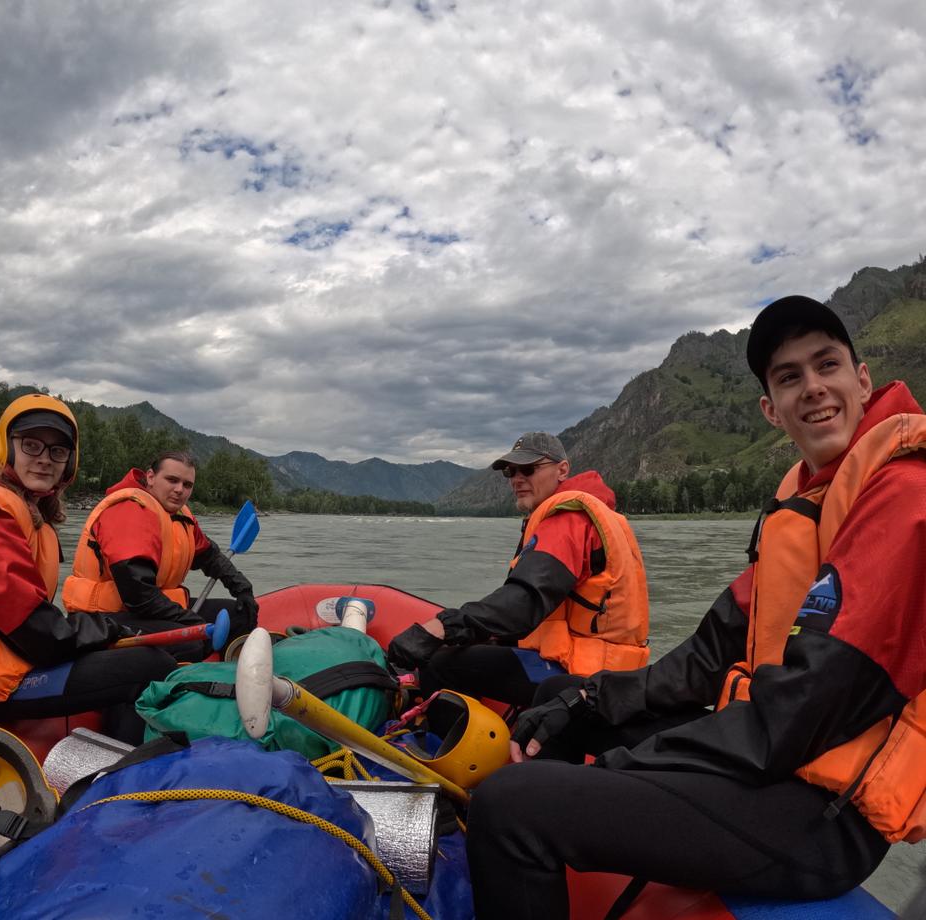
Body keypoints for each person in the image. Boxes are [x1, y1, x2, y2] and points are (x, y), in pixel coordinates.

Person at [465, 295, 926, 920]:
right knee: (564, 712)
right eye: (790, 377)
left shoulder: (903, 495)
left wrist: (623, 767)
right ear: (771, 409)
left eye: (827, 366)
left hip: (823, 816)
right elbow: (703, 659)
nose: (813, 389)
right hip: (779, 769)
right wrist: (587, 700)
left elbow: (806, 712)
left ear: (862, 379)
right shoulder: (806, 509)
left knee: (509, 806)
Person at [0, 394, 177, 744]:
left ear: (69, 463)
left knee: (130, 641)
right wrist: (103, 628)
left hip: (3, 659)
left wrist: (105, 630)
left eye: (57, 452)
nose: (44, 460)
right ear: (8, 448)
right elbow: (37, 635)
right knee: (152, 666)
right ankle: (123, 777)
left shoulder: (21, 510)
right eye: (31, 445)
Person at [386, 432, 649, 707]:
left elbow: (525, 600)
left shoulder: (568, 518)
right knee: (469, 648)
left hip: (584, 674)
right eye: (510, 472)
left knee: (441, 665)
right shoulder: (593, 513)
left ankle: (437, 747)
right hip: (608, 668)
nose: (517, 479)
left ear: (562, 470)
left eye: (528, 469)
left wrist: (444, 627)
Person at [61, 450, 258, 652]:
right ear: (151, 477)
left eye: (187, 484)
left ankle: (226, 666)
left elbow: (210, 557)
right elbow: (138, 594)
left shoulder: (180, 516)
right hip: (104, 618)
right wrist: (190, 620)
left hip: (149, 611)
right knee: (190, 642)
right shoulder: (128, 510)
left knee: (241, 615)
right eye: (172, 480)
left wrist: (242, 588)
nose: (179, 490)